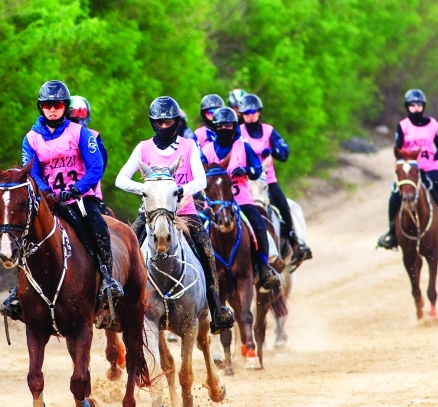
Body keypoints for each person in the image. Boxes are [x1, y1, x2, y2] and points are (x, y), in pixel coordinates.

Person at [0, 80, 122, 322]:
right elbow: (31, 171)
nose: (52, 109)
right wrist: (46, 192)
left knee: (98, 227)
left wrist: (76, 190)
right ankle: (18, 291)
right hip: (48, 200)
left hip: (79, 198)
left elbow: (96, 166)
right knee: (25, 232)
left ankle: (107, 278)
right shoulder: (31, 138)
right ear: (41, 108)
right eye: (47, 105)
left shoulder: (80, 133)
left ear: (64, 107)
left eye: (56, 105)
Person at [115, 96, 236, 332]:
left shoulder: (189, 146)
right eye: (159, 122)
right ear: (152, 122)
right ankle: (118, 309)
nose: (163, 126)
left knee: (206, 251)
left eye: (168, 122)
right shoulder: (143, 148)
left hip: (185, 213)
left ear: (176, 122)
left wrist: (180, 190)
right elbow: (121, 179)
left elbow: (201, 180)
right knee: (127, 250)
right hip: (151, 214)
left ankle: (216, 309)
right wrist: (146, 189)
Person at [199, 106, 283, 292]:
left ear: (235, 126)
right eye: (221, 126)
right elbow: (197, 174)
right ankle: (199, 274)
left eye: (229, 126)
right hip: (213, 203)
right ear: (214, 127)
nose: (225, 129)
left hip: (241, 199)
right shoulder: (205, 150)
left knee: (258, 224)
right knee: (195, 231)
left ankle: (264, 267)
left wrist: (246, 170)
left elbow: (257, 169)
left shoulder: (243, 145)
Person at [378, 89, 438, 250]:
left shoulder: (432, 124)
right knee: (394, 197)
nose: (416, 108)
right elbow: (398, 149)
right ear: (407, 107)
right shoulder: (403, 126)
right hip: (410, 170)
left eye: (419, 105)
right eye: (412, 105)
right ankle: (392, 233)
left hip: (430, 168)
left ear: (423, 106)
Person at [237, 93, 313, 263]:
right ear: (241, 114)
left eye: (253, 111)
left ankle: (295, 242)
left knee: (284, 207)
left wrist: (272, 151)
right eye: (246, 112)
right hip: (244, 183)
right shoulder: (237, 131)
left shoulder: (268, 131)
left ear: (259, 112)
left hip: (267, 181)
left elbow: (284, 153)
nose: (250, 115)